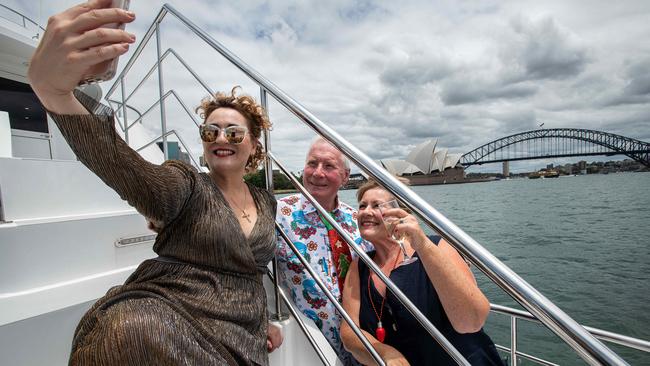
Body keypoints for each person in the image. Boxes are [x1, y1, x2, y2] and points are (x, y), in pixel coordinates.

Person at [28, 1, 281, 364]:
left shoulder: (266, 201)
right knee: (131, 328)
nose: (221, 137)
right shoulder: (187, 184)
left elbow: (256, 272)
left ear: (254, 144)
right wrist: (56, 94)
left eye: (233, 132)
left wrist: (268, 320)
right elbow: (131, 173)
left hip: (244, 323)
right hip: (175, 308)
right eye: (211, 130)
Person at [341, 180, 505, 365]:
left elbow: (472, 320)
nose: (365, 212)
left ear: (399, 213)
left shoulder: (436, 247)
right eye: (362, 206)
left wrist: (421, 243)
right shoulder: (360, 266)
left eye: (377, 205)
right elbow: (349, 331)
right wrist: (383, 353)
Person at [275, 137, 373, 363]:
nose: (317, 173)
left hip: (362, 341)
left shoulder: (357, 220)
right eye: (312, 164)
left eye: (328, 166)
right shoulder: (278, 214)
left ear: (345, 177)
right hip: (310, 345)